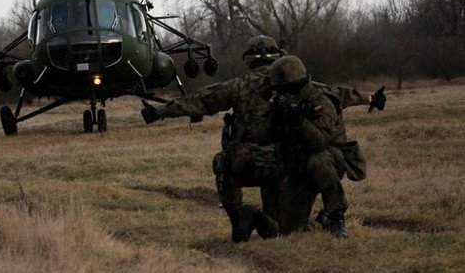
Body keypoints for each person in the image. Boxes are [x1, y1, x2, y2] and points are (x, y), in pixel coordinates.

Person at [141, 35, 385, 242]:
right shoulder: (296, 81)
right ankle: (324, 217)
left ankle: (239, 218)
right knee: (288, 225)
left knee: (223, 162)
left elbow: (200, 101)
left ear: (247, 59)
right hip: (289, 166)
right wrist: (372, 97)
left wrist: (159, 112)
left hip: (251, 165)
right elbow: (338, 94)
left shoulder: (238, 86)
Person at [256, 55, 367, 238]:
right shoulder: (281, 101)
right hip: (296, 168)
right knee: (289, 230)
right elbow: (260, 138)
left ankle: (335, 215)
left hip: (327, 160)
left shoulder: (319, 100)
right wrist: (274, 121)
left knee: (319, 160)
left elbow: (320, 143)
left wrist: (300, 122)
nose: (282, 93)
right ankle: (320, 221)